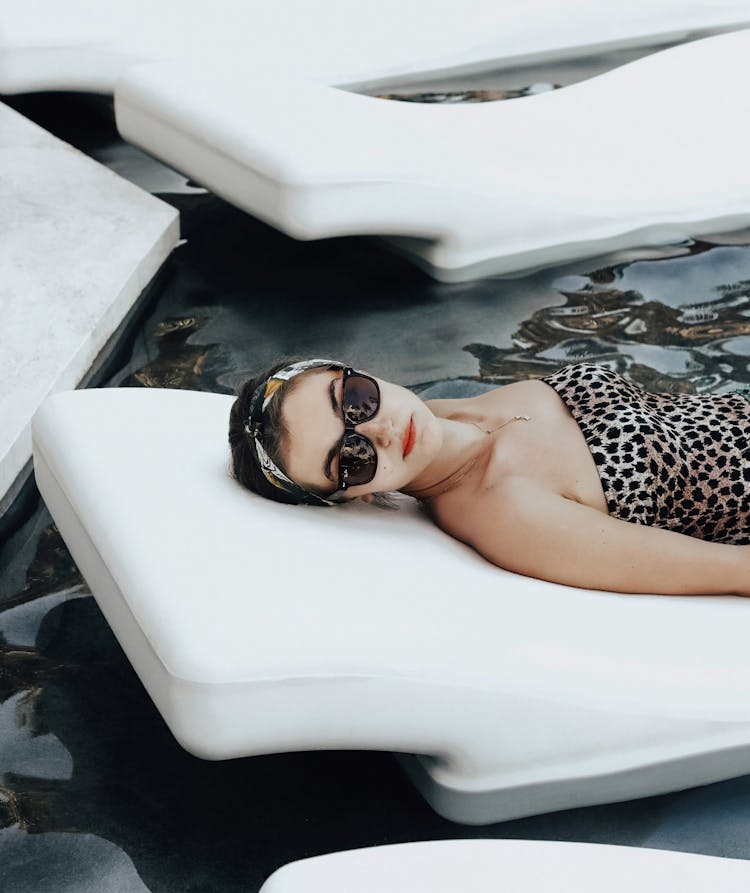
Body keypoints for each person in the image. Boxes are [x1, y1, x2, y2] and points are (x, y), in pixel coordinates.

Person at [228, 358, 750, 596]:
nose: (382, 429)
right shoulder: (507, 513)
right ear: (354, 498)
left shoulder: (445, 414)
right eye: (352, 459)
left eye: (356, 399)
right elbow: (736, 571)